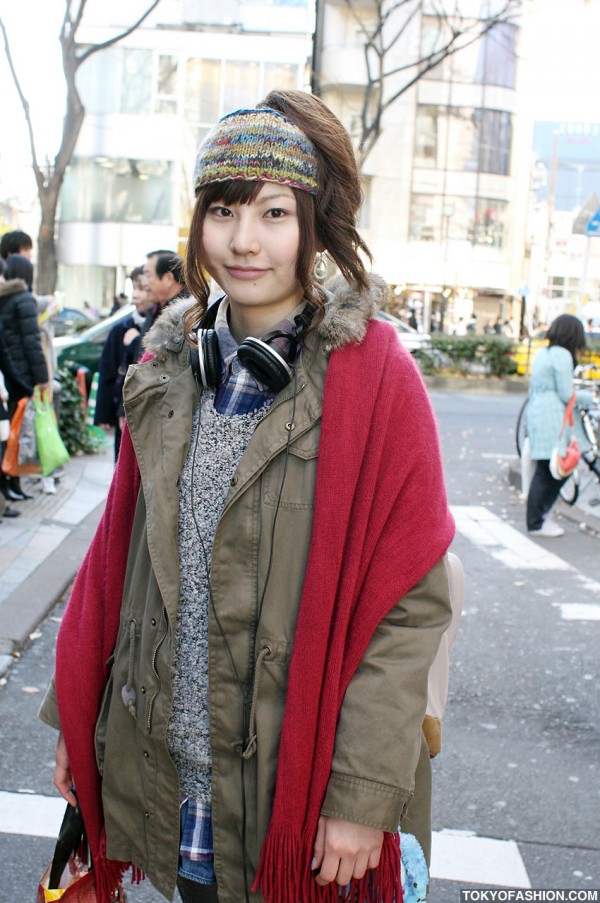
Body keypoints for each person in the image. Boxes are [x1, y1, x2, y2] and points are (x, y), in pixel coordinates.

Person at [40, 90, 455, 903]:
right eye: (222, 210)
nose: (242, 239)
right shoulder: (162, 375)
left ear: (312, 225)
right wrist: (81, 725)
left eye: (272, 213)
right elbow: (115, 564)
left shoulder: (376, 381)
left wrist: (362, 796)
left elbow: (410, 605)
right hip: (174, 780)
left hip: (296, 802)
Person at [525, 314, 592, 537]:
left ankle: (538, 519)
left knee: (545, 468)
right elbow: (566, 393)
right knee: (555, 470)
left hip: (536, 411)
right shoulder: (562, 355)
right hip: (552, 415)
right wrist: (588, 397)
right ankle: (537, 521)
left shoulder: (542, 353)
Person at [0, 254, 48, 501]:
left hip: (7, 374)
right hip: (21, 376)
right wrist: (42, 378)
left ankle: (9, 484)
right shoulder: (24, 299)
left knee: (9, 431)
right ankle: (13, 482)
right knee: (17, 432)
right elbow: (32, 342)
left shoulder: (4, 298)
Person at [94, 266, 152, 460]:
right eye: (134, 288)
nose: (136, 295)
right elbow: (108, 370)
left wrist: (136, 342)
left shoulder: (159, 325)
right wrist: (103, 414)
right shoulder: (122, 328)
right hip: (123, 411)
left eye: (143, 288)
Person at [142, 248, 188, 331]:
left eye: (148, 276)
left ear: (168, 279)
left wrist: (134, 340)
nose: (144, 284)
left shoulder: (189, 314)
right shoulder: (155, 308)